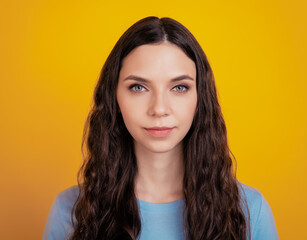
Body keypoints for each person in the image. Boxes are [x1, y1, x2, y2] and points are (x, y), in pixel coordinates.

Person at [43, 16, 279, 240]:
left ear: (200, 99)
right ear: (114, 98)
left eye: (179, 87)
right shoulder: (70, 212)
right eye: (138, 87)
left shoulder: (250, 212)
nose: (159, 108)